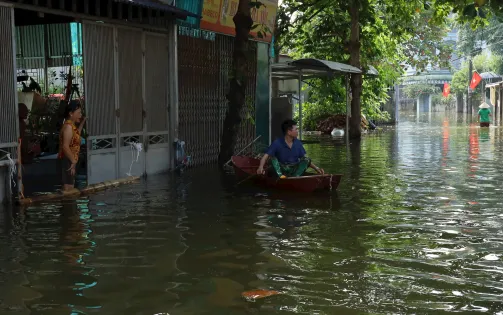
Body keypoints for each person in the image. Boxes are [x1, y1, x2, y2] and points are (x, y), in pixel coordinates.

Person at [257, 119, 324, 177]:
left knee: (307, 159)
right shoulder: (277, 143)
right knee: (272, 159)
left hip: (294, 169)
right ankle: (281, 177)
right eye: (296, 129)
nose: (297, 131)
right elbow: (265, 157)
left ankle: (295, 177)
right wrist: (260, 167)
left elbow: (304, 159)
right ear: (289, 132)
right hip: (282, 169)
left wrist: (317, 168)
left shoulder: (298, 143)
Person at [58, 101, 86, 191]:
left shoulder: (72, 126)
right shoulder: (68, 127)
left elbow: (77, 135)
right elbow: (65, 147)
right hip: (67, 160)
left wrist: (82, 123)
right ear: (71, 113)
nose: (80, 115)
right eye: (78, 113)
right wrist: (73, 161)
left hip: (70, 160)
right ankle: (67, 205)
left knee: (70, 186)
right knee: (68, 188)